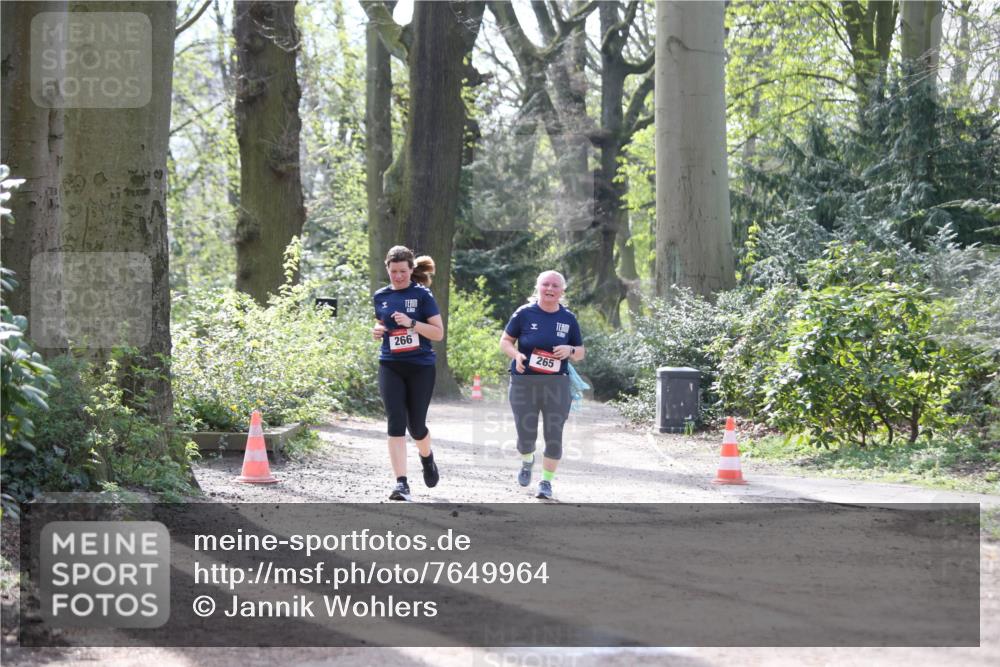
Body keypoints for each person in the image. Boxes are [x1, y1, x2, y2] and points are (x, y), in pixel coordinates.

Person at [499, 270, 585, 500]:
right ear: (537, 287)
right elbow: (505, 341)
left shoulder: (568, 318)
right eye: (545, 284)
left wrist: (570, 350)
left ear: (562, 291)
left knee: (554, 435)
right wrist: (516, 355)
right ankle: (527, 460)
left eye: (555, 285)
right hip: (523, 382)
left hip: (556, 385)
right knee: (525, 435)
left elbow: (580, 352)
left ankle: (546, 482)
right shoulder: (524, 313)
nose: (550, 289)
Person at [372, 246, 444, 501]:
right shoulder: (380, 296)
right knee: (395, 422)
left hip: (420, 366)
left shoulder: (422, 295)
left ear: (412, 270)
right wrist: (377, 330)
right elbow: (382, 322)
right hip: (390, 364)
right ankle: (401, 483)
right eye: (394, 271)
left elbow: (438, 333)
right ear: (387, 269)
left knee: (416, 427)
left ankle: (427, 457)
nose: (398, 276)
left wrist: (412, 323)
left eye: (403, 271)